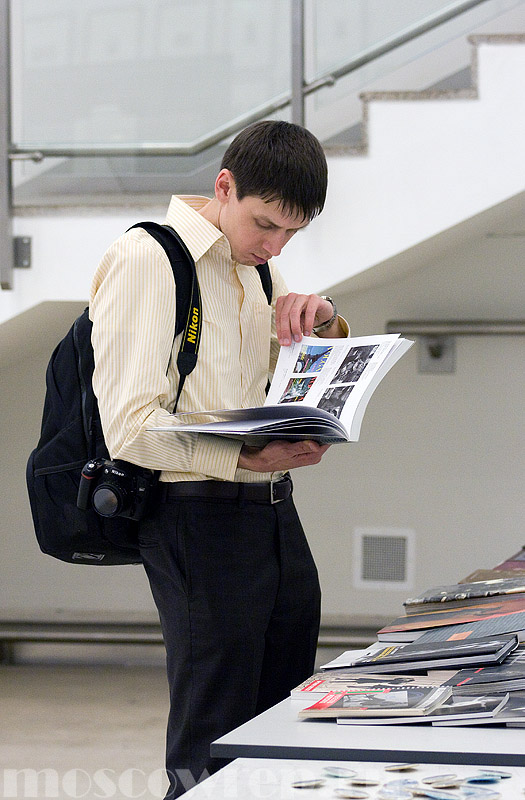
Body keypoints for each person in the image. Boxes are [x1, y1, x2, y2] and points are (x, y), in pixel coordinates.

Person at [89, 120, 349, 798]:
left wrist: (318, 323)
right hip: (192, 514)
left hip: (270, 512)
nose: (274, 245)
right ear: (223, 186)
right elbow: (131, 431)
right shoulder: (148, 257)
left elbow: (272, 374)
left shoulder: (256, 263)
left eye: (292, 234)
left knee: (282, 716)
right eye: (266, 225)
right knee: (213, 737)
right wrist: (246, 461)